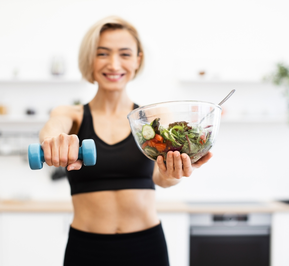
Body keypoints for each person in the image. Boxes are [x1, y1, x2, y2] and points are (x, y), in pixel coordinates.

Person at [39, 16, 213, 266]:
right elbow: (53, 129)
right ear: (90, 58)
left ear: (137, 60)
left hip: (146, 248)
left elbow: (161, 179)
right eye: (102, 54)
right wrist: (55, 141)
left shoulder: (152, 122)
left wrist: (174, 171)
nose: (113, 64)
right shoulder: (71, 115)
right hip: (86, 250)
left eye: (124, 54)